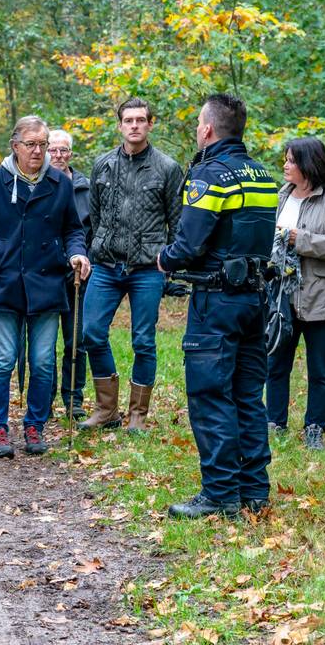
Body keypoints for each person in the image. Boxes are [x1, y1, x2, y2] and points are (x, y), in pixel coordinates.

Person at [159, 93, 275, 519]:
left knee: (211, 395)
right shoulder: (262, 174)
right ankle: (254, 492)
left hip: (216, 302)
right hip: (255, 302)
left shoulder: (211, 174)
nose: (196, 130)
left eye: (197, 124)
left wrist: (164, 259)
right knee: (248, 395)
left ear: (207, 129)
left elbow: (189, 245)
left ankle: (221, 494)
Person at [0, 116, 90, 459]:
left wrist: (77, 254)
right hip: (6, 281)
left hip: (47, 281)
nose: (39, 150)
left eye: (43, 144)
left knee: (41, 361)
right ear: (15, 146)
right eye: (31, 144)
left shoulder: (59, 182)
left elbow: (73, 229)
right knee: (4, 359)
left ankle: (35, 424)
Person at [79, 98, 183, 434]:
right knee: (91, 332)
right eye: (128, 120)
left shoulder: (167, 168)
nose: (134, 125)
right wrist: (97, 249)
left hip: (147, 268)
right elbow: (94, 216)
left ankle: (137, 415)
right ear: (120, 125)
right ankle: (106, 409)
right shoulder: (103, 165)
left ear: (151, 124)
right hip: (106, 265)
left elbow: (176, 220)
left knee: (143, 340)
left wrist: (167, 262)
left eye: (141, 120)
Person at [265, 137, 325, 451]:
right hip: (282, 297)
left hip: (322, 297)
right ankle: (273, 423)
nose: (286, 165)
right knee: (275, 362)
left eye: (291, 160)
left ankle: (315, 427)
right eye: (286, 159)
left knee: (319, 369)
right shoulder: (281, 196)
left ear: (308, 164)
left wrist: (299, 238)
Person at [47, 129, 90, 419]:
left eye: (64, 150)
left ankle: (73, 398)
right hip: (47, 274)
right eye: (53, 150)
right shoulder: (40, 184)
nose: (59, 155)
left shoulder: (86, 187)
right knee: (45, 342)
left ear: (71, 154)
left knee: (76, 339)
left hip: (79, 274)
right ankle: (44, 398)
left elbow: (92, 228)